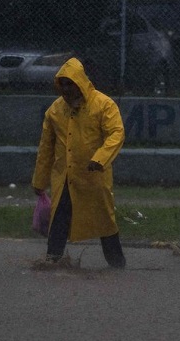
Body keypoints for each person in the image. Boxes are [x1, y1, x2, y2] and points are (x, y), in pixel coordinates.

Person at [31, 57, 126, 268]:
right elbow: (45, 148)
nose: (65, 89)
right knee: (59, 218)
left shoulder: (103, 105)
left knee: (105, 221)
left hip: (94, 176)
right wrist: (39, 181)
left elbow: (116, 134)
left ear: (80, 82)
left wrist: (100, 159)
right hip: (65, 177)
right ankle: (52, 261)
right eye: (61, 84)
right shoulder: (55, 111)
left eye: (69, 84)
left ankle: (117, 264)